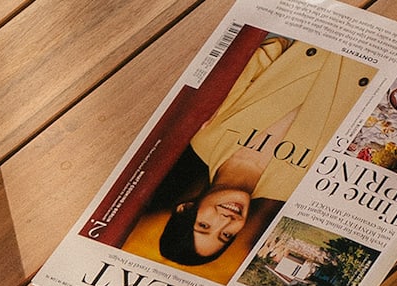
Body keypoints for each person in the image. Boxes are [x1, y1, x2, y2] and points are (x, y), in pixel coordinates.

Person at [147, 35, 364, 266]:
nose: (226, 220)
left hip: (320, 31)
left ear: (186, 208)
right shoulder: (298, 188)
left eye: (204, 226)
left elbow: (263, 53)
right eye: (226, 235)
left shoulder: (203, 136)